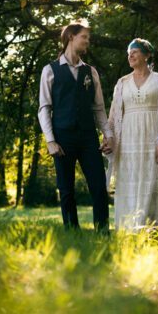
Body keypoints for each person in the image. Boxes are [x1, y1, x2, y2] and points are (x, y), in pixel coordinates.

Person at [37, 21, 113, 231]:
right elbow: (44, 108)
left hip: (88, 137)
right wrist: (50, 141)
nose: (88, 41)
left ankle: (103, 230)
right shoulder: (50, 71)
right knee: (66, 189)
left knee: (98, 186)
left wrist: (108, 135)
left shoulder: (91, 72)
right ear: (71, 37)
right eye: (84, 37)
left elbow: (99, 108)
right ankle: (72, 231)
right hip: (62, 137)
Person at [105, 38, 158, 231]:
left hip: (153, 138)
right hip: (129, 140)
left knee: (152, 178)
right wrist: (109, 139)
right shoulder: (122, 83)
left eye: (135, 51)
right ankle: (130, 226)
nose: (130, 55)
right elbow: (114, 114)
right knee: (130, 179)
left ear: (147, 55)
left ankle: (153, 227)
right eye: (128, 53)